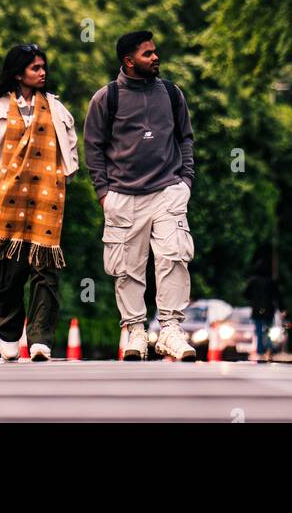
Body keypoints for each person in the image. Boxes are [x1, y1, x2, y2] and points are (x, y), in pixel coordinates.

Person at [84, 29, 196, 361]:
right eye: (148, 54)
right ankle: (135, 331)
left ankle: (171, 330)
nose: (156, 57)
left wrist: (185, 181)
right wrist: (104, 192)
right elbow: (93, 148)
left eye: (155, 51)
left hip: (168, 191)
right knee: (127, 268)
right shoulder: (107, 98)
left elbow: (185, 138)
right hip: (122, 195)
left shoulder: (172, 94)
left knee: (173, 259)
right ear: (129, 61)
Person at [0, 43, 78, 361]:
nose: (43, 73)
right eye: (35, 68)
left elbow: (70, 147)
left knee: (47, 270)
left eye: (44, 67)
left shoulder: (57, 109)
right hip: (10, 200)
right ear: (18, 73)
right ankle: (8, 332)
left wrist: (62, 177)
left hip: (48, 199)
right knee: (9, 271)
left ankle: (41, 338)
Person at [244, 257, 283, 362]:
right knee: (268, 330)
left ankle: (260, 351)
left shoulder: (253, 281)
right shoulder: (271, 281)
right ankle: (269, 348)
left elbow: (245, 293)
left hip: (256, 308)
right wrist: (281, 307)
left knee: (258, 331)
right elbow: (277, 295)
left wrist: (252, 299)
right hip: (269, 308)